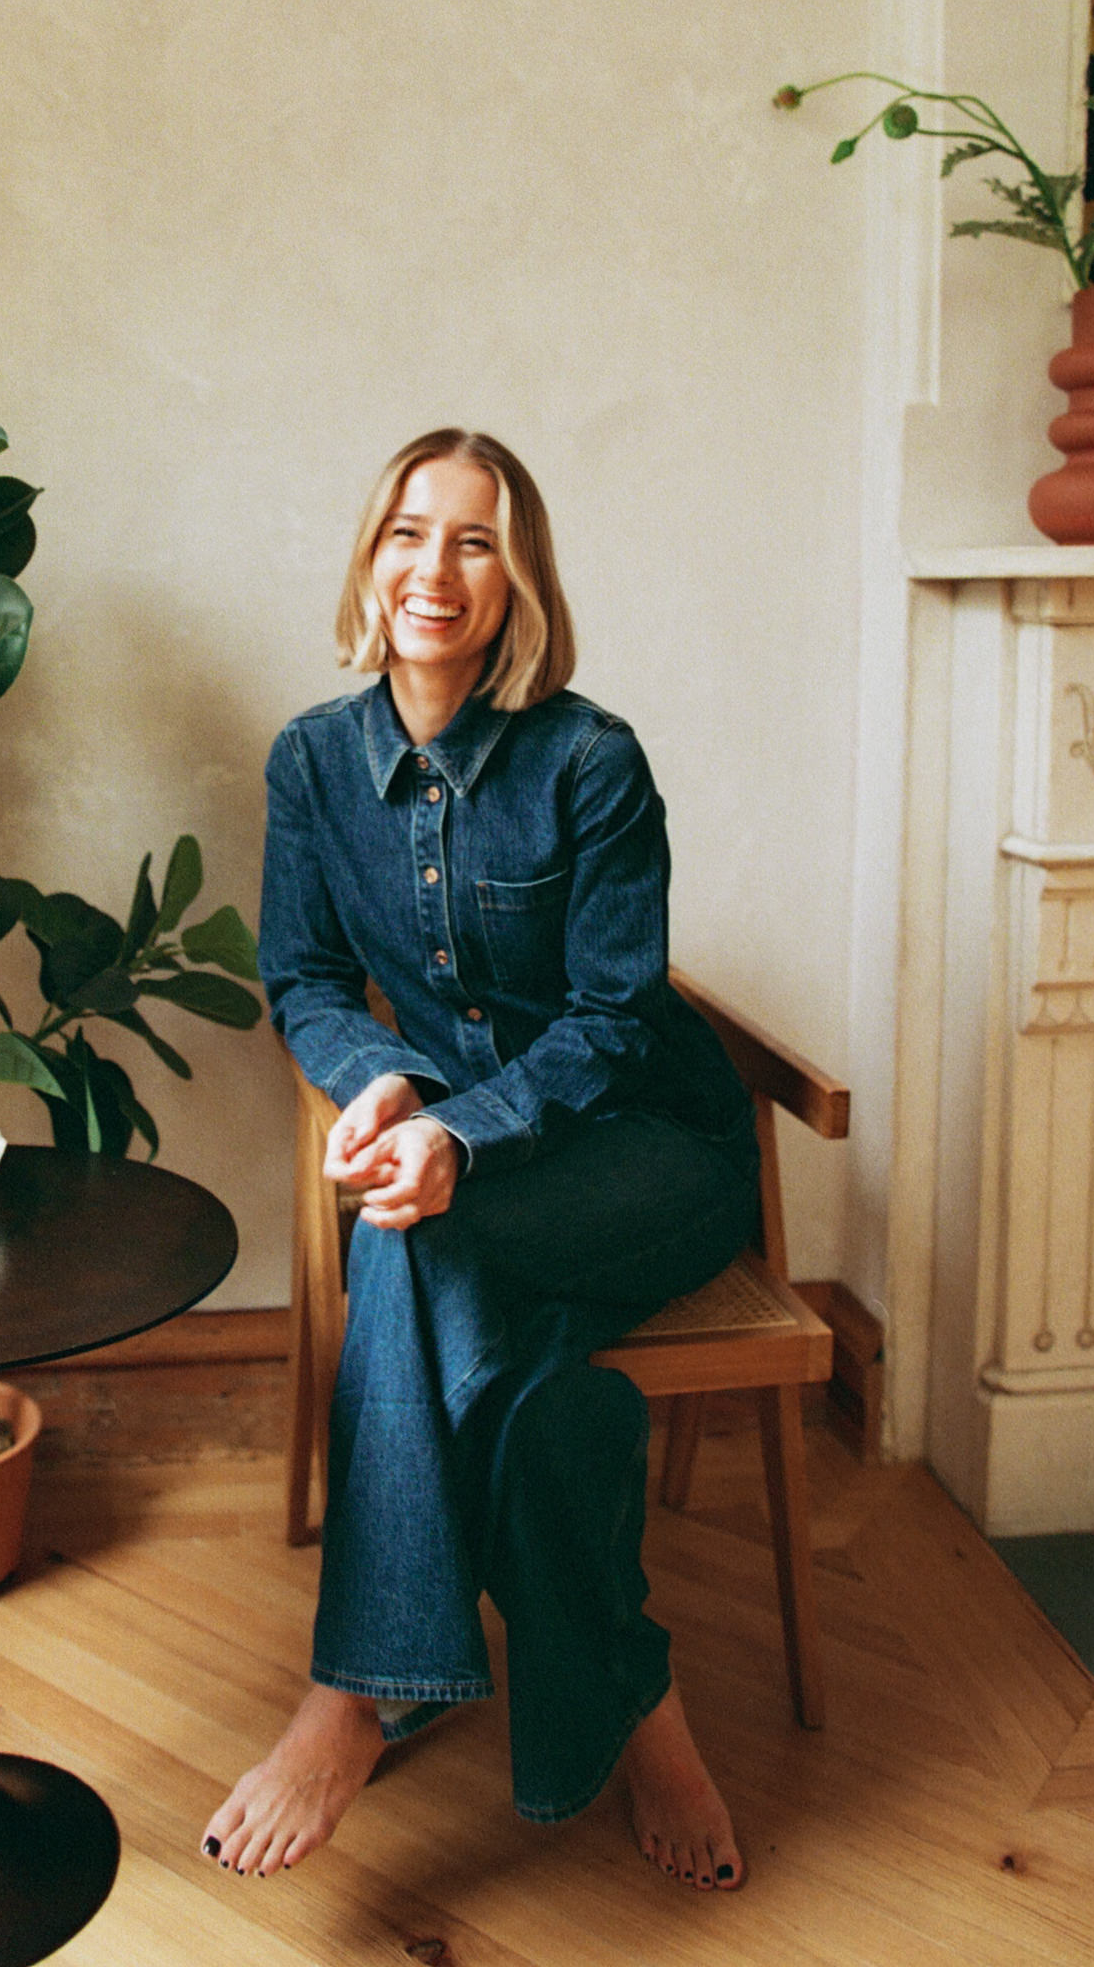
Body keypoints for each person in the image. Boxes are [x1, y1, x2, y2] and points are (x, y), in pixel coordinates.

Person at [201, 430, 760, 1891]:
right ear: (368, 556)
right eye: (406, 532)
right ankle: (640, 1698)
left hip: (648, 1149)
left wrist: (455, 1131)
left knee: (412, 1233)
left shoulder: (588, 759)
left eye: (473, 541)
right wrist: (378, 1081)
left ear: (518, 582)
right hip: (469, 1147)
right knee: (530, 1390)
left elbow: (614, 1018)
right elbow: (305, 979)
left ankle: (351, 1696)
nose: (432, 570)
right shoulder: (313, 763)